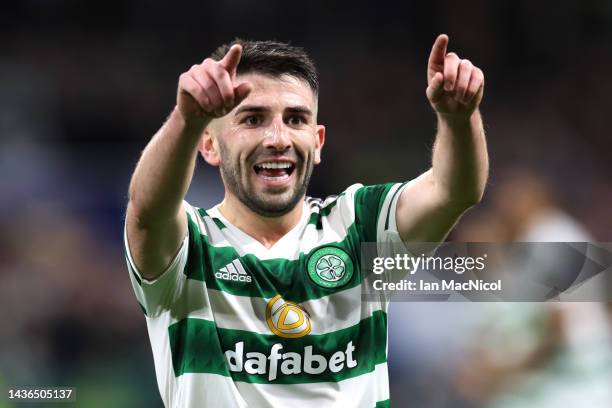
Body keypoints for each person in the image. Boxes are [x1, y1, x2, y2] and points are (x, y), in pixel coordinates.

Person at [123, 35, 488, 407]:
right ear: (210, 145)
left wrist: (458, 119)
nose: (278, 138)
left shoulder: (359, 224)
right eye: (252, 119)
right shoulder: (191, 247)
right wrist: (186, 120)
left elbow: (453, 191)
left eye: (295, 119)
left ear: (317, 142)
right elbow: (147, 211)